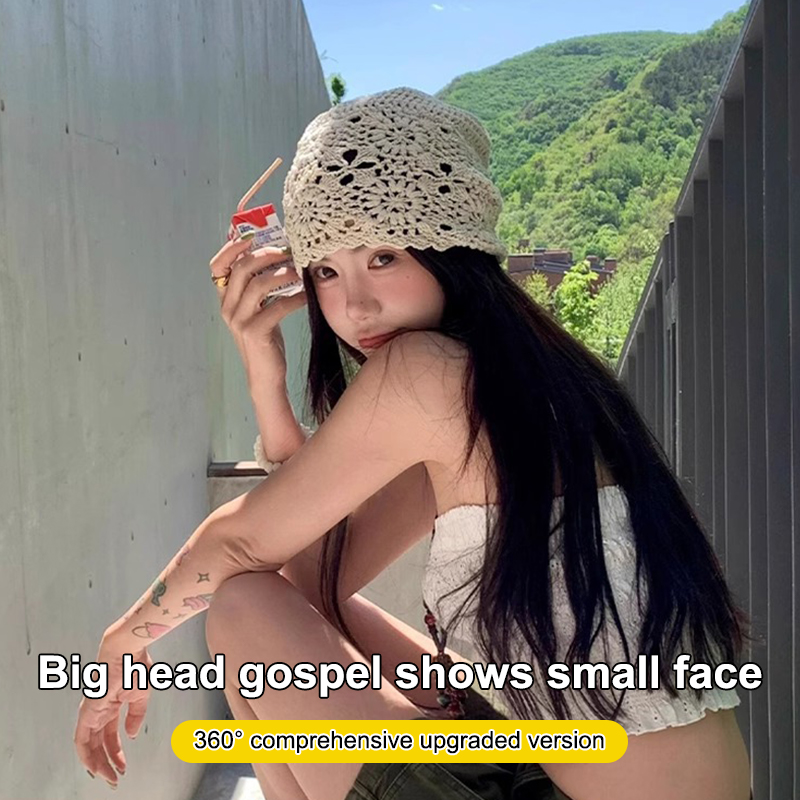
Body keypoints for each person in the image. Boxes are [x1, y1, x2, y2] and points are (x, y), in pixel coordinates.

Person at [74, 87, 752, 800]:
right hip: (542, 761)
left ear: (452, 251)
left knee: (242, 609)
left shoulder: (429, 372)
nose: (354, 305)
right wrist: (264, 375)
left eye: (384, 256)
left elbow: (241, 546)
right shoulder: (514, 377)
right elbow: (317, 576)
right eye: (326, 270)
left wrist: (121, 643)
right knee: (259, 607)